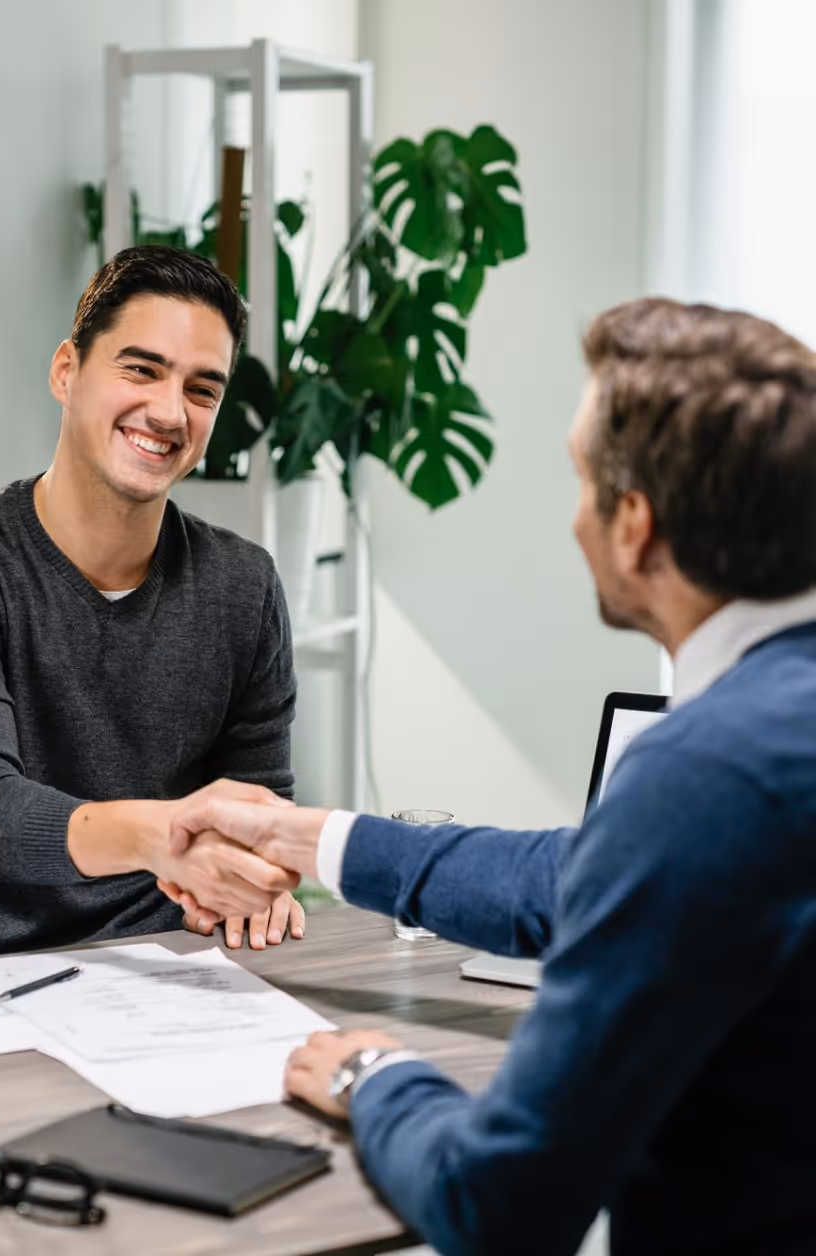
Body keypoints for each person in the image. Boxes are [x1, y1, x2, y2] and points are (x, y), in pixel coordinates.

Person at [163, 299, 816, 1255]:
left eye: (581, 481)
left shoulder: (705, 772)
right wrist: (309, 837)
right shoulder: (767, 738)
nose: (574, 517)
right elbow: (577, 875)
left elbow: (499, 1203)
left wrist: (376, 1075)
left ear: (634, 525)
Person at [0, 245, 304, 970]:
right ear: (66, 370)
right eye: (141, 369)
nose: (169, 411)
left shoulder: (242, 585)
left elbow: (257, 809)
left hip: (169, 971)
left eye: (203, 389)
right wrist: (170, 838)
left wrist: (261, 874)